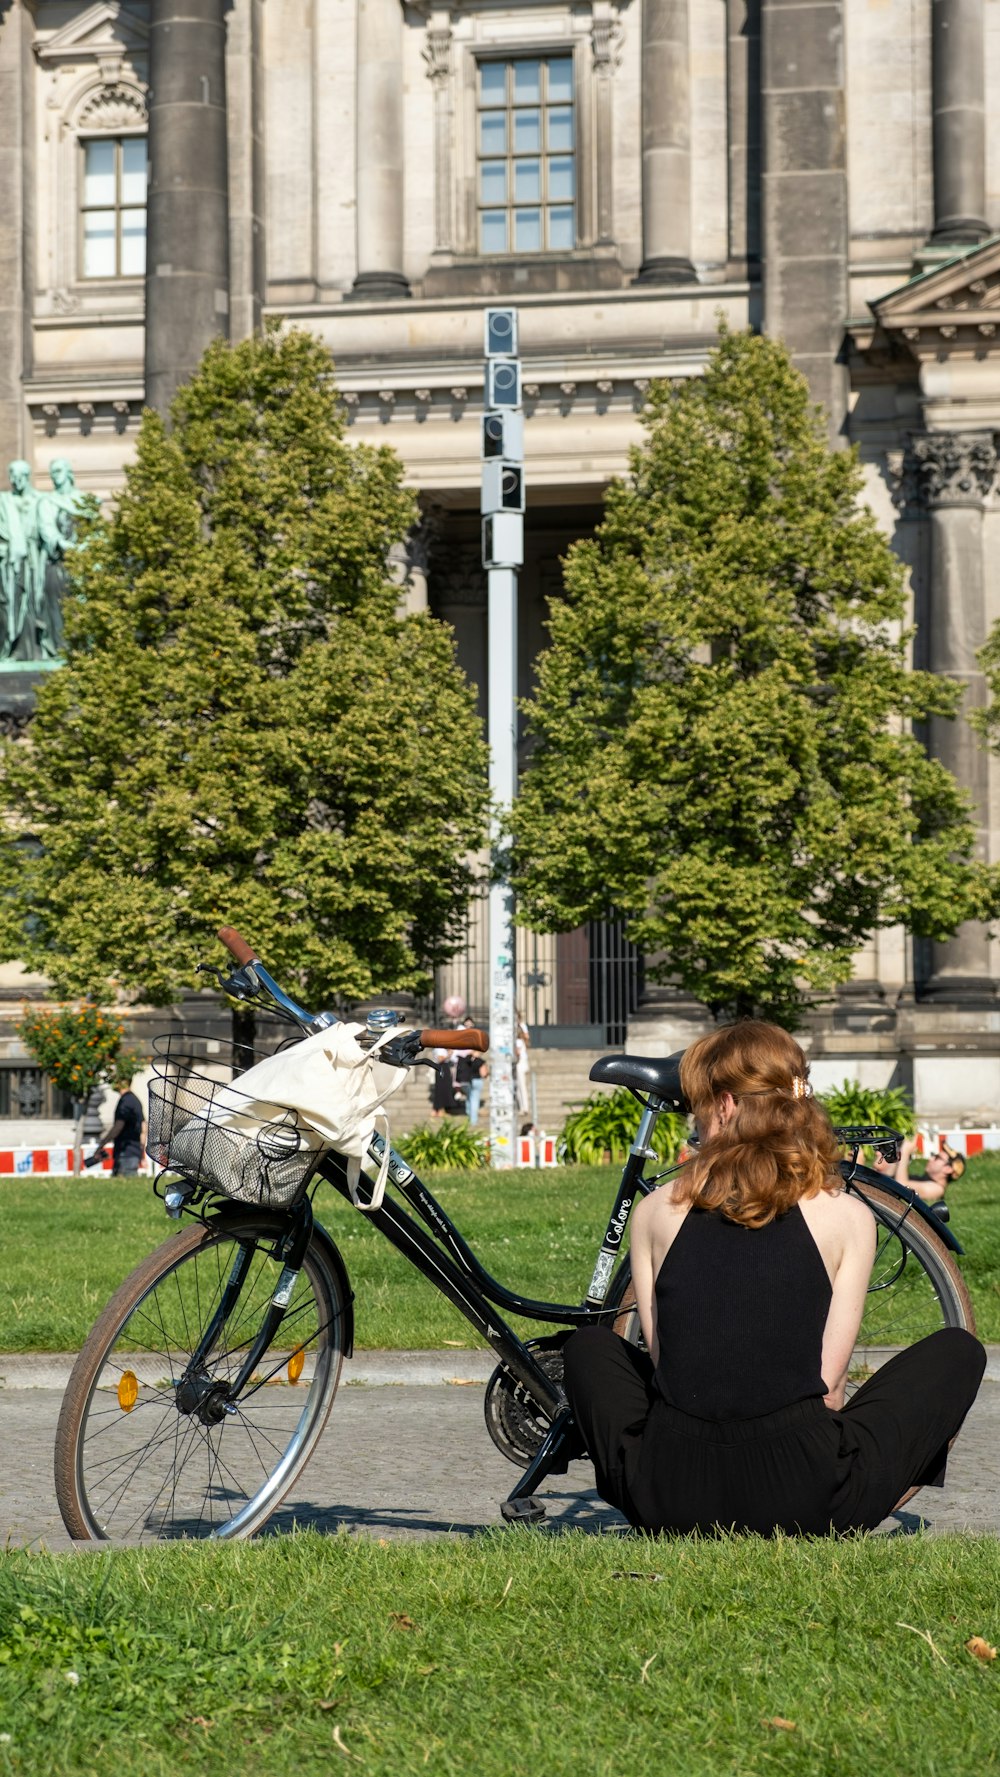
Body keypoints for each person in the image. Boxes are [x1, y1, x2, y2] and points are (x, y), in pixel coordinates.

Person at [563, 1021, 986, 1537]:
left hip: (670, 1496)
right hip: (807, 1500)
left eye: (696, 1105)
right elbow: (829, 1390)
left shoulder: (655, 1212)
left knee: (590, 1347)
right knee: (959, 1352)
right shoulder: (847, 1216)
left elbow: (664, 1367)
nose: (693, 1120)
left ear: (724, 1106)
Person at [871, 1135, 964, 1210]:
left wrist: (905, 1152)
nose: (931, 1159)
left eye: (937, 1158)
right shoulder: (926, 1180)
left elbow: (901, 1186)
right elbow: (891, 1177)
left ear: (948, 1169)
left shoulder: (937, 1189)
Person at [98, 1074, 146, 1177]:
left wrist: (102, 1143)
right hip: (133, 1152)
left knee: (126, 1186)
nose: (113, 1084)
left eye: (115, 1081)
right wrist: (141, 1151)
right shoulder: (134, 1100)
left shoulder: (126, 1101)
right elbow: (143, 1127)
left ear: (123, 1083)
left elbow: (118, 1126)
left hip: (126, 1153)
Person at [455, 1017, 488, 1127]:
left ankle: (470, 1117)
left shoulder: (465, 1059)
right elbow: (484, 1073)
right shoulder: (479, 1060)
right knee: (474, 1099)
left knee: (469, 1098)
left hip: (466, 1079)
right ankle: (473, 1121)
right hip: (476, 1079)